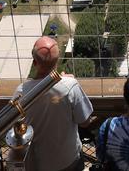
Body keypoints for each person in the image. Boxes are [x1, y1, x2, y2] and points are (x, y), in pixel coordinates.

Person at [12, 36, 93, 171]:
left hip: (39, 164)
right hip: (69, 161)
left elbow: (15, 131)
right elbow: (85, 121)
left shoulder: (21, 92)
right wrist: (66, 82)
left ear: (34, 62)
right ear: (57, 61)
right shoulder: (69, 86)